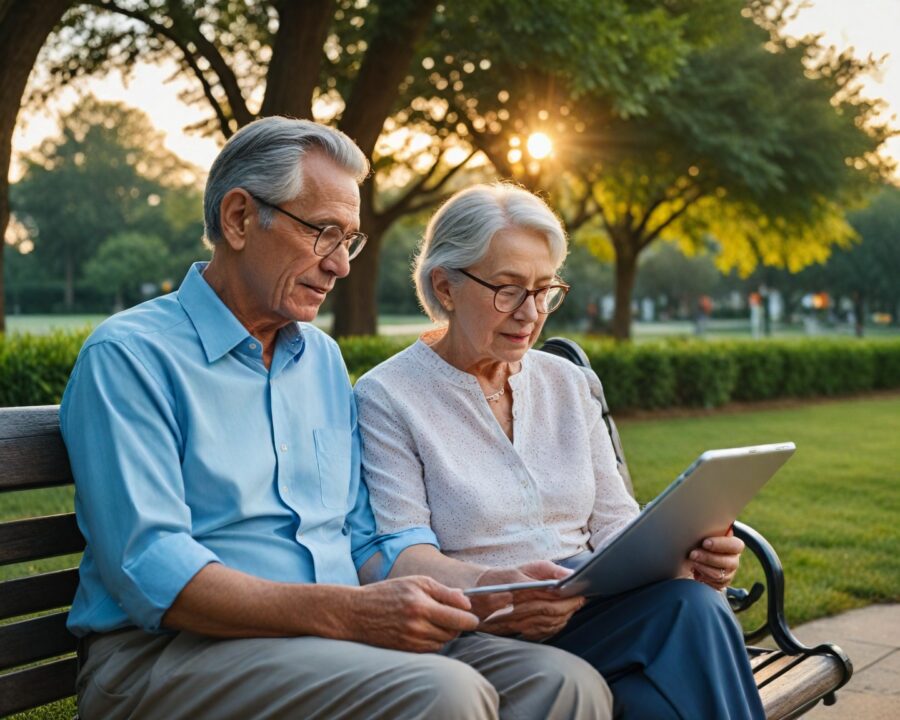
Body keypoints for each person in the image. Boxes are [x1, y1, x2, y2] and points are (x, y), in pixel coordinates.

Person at [60, 119, 613, 720]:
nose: (341, 266)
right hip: (167, 655)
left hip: (329, 640)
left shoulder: (319, 359)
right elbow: (151, 566)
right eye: (324, 234)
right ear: (240, 219)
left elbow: (362, 536)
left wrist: (488, 593)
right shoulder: (131, 357)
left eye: (349, 240)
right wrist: (345, 612)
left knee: (563, 683)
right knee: (445, 693)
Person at [355, 183, 766, 719]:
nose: (531, 312)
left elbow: (618, 523)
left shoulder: (566, 383)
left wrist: (689, 557)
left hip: (594, 617)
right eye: (508, 290)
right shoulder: (388, 397)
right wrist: (503, 594)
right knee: (690, 621)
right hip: (487, 633)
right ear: (445, 286)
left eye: (544, 290)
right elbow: (402, 556)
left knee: (685, 618)